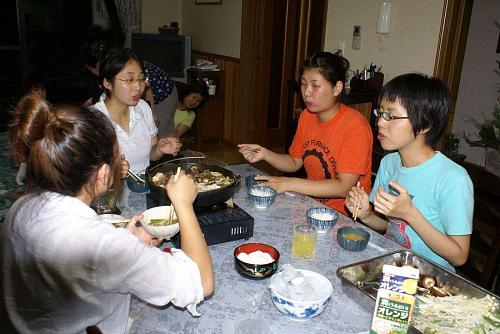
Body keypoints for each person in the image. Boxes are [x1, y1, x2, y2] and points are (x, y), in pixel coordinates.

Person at [1, 93, 214, 332]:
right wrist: (183, 203)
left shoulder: (21, 207)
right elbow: (202, 283)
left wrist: (125, 238)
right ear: (103, 173)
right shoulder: (102, 246)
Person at [345, 73, 473, 270]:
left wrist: (411, 214)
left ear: (425, 125)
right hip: (391, 264)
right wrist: (366, 215)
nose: (380, 122)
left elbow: (459, 256)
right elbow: (391, 227)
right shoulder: (390, 163)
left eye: (391, 116)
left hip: (430, 278)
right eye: (380, 113)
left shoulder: (453, 178)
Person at [238, 51, 373, 215]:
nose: (307, 92)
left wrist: (289, 183)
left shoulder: (355, 126)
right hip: (309, 205)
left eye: (315, 85)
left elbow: (344, 187)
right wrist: (265, 154)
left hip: (345, 215)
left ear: (337, 88)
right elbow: (294, 162)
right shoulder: (307, 116)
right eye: (303, 84)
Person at [92, 48, 182, 175]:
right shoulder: (93, 120)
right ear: (107, 83)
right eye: (129, 80)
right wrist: (111, 172)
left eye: (141, 79)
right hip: (110, 193)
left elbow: (152, 155)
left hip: (141, 188)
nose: (138, 87)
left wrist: (160, 149)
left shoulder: (143, 108)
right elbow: (83, 174)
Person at [143, 60, 179, 138]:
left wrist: (152, 113)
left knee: (159, 132)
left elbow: (147, 87)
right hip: (162, 93)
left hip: (165, 95)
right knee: (166, 132)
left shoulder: (136, 66)